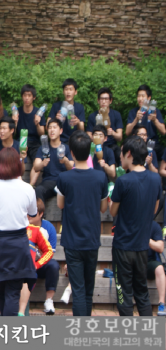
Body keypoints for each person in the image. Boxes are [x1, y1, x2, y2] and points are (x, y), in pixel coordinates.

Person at [56, 131, 109, 316]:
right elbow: (103, 208)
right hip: (92, 239)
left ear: (71, 152)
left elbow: (60, 205)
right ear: (90, 152)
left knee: (78, 290)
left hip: (72, 240)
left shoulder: (64, 178)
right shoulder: (100, 177)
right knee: (88, 290)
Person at [0, 147, 38, 316]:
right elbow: (33, 213)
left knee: (1, 288)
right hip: (18, 243)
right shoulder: (27, 188)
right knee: (13, 291)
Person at [110, 135, 162, 316]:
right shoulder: (155, 179)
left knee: (123, 294)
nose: (120, 157)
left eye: (122, 153)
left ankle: (127, 332)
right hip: (142, 247)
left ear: (129, 154)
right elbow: (154, 209)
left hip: (123, 246)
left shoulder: (123, 181)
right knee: (142, 293)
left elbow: (113, 212)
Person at [17, 207, 53, 317]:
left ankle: (21, 313)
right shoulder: (6, 228)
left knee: (27, 276)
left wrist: (36, 265)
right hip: (9, 268)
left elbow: (49, 251)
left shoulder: (34, 230)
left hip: (27, 270)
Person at [27, 198, 60, 315]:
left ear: (41, 214)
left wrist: (37, 263)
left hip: (40, 264)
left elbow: (50, 253)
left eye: (33, 213)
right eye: (27, 212)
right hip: (25, 263)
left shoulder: (48, 228)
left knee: (54, 265)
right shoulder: (23, 225)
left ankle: (49, 301)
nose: (29, 216)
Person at [33, 118, 74, 202]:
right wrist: (43, 163)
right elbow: (36, 167)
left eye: (54, 127)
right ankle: (41, 211)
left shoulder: (66, 148)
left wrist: (65, 161)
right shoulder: (43, 148)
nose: (52, 130)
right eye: (50, 128)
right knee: (39, 190)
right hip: (48, 181)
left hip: (63, 181)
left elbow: (71, 168)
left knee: (72, 190)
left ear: (61, 131)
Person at [16, 84, 46, 186]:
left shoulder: (38, 113)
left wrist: (37, 123)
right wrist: (15, 122)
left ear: (34, 97)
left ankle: (31, 186)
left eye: (29, 95)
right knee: (17, 160)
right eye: (25, 95)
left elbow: (42, 133)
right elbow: (13, 133)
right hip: (20, 141)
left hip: (35, 142)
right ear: (22, 96)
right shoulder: (17, 112)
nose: (27, 98)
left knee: (37, 163)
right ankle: (19, 185)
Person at [126, 84, 165, 160]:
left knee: (163, 151)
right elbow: (127, 132)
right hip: (137, 143)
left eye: (143, 96)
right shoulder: (133, 112)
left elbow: (163, 131)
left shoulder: (155, 111)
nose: (140, 99)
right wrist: (136, 119)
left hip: (152, 144)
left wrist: (154, 120)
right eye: (138, 96)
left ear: (149, 98)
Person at [86, 87, 123, 165]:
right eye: (101, 99)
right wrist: (96, 137)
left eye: (106, 99)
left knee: (119, 153)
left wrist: (112, 133)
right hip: (96, 145)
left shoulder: (116, 115)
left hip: (111, 145)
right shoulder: (92, 116)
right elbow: (88, 134)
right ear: (98, 100)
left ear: (110, 101)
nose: (103, 101)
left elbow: (120, 137)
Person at [47, 79, 85, 143]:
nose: (68, 92)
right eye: (66, 89)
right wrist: (55, 119)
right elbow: (47, 126)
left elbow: (82, 130)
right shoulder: (56, 106)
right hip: (58, 140)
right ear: (63, 91)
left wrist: (78, 122)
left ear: (75, 92)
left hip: (74, 141)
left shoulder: (79, 107)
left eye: (70, 89)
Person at [146, 221, 166, 316]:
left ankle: (161, 304)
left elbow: (160, 248)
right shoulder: (131, 223)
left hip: (149, 261)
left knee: (160, 268)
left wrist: (145, 238)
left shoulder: (154, 226)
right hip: (133, 260)